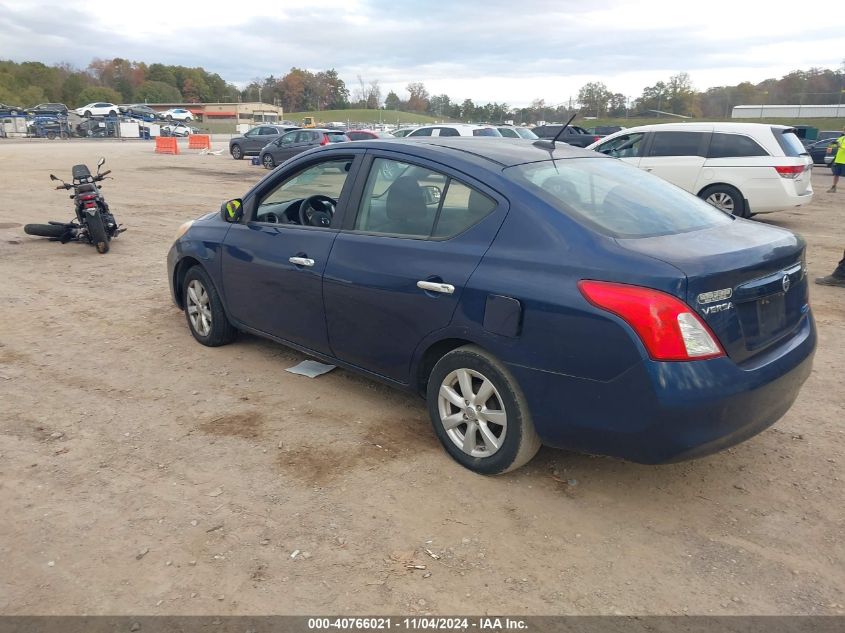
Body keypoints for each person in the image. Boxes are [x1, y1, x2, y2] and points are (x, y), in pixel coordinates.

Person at [827, 127, 845, 193]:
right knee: (836, 174)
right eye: (844, 130)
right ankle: (833, 187)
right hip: (838, 160)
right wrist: (830, 146)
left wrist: (840, 146)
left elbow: (840, 146)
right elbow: (834, 144)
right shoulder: (841, 138)